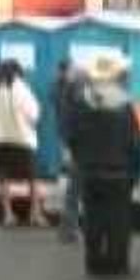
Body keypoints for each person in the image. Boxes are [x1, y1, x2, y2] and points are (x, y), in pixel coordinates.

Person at [68, 55, 140, 278]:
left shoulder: (82, 103)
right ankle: (117, 263)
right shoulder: (124, 105)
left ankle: (94, 262)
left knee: (93, 218)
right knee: (118, 220)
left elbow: (73, 137)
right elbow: (135, 143)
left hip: (90, 171)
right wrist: (135, 172)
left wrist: (81, 160)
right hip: (119, 172)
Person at [0, 60, 46, 228]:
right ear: (18, 73)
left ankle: (8, 215)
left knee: (4, 178)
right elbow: (34, 114)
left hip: (0, 139)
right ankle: (34, 213)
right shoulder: (21, 89)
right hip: (22, 139)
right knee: (32, 178)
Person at [53, 60, 85, 243]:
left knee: (74, 190)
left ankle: (68, 228)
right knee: (76, 190)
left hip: (74, 144)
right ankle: (70, 229)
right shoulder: (76, 93)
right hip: (81, 147)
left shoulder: (63, 89)